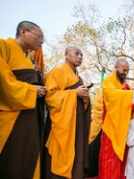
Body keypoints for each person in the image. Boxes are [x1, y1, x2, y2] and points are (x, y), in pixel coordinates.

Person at [0, 21, 46, 179]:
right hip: (11, 118)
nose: (42, 41)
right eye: (39, 36)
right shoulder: (3, 46)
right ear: (24, 31)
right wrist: (31, 90)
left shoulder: (30, 59)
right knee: (12, 160)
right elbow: (3, 79)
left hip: (30, 117)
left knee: (29, 158)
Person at [43, 47, 91, 179]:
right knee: (60, 156)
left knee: (76, 154)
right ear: (66, 55)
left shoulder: (78, 77)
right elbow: (50, 96)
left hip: (77, 123)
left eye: (81, 54)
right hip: (63, 123)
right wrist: (74, 93)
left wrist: (86, 98)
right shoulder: (58, 71)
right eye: (77, 54)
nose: (80, 56)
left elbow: (82, 101)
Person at [90, 58, 134, 179]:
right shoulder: (108, 82)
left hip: (123, 130)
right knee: (109, 161)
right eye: (123, 69)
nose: (125, 73)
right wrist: (131, 96)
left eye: (127, 71)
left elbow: (131, 106)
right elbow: (111, 97)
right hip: (110, 130)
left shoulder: (126, 86)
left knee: (122, 163)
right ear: (116, 67)